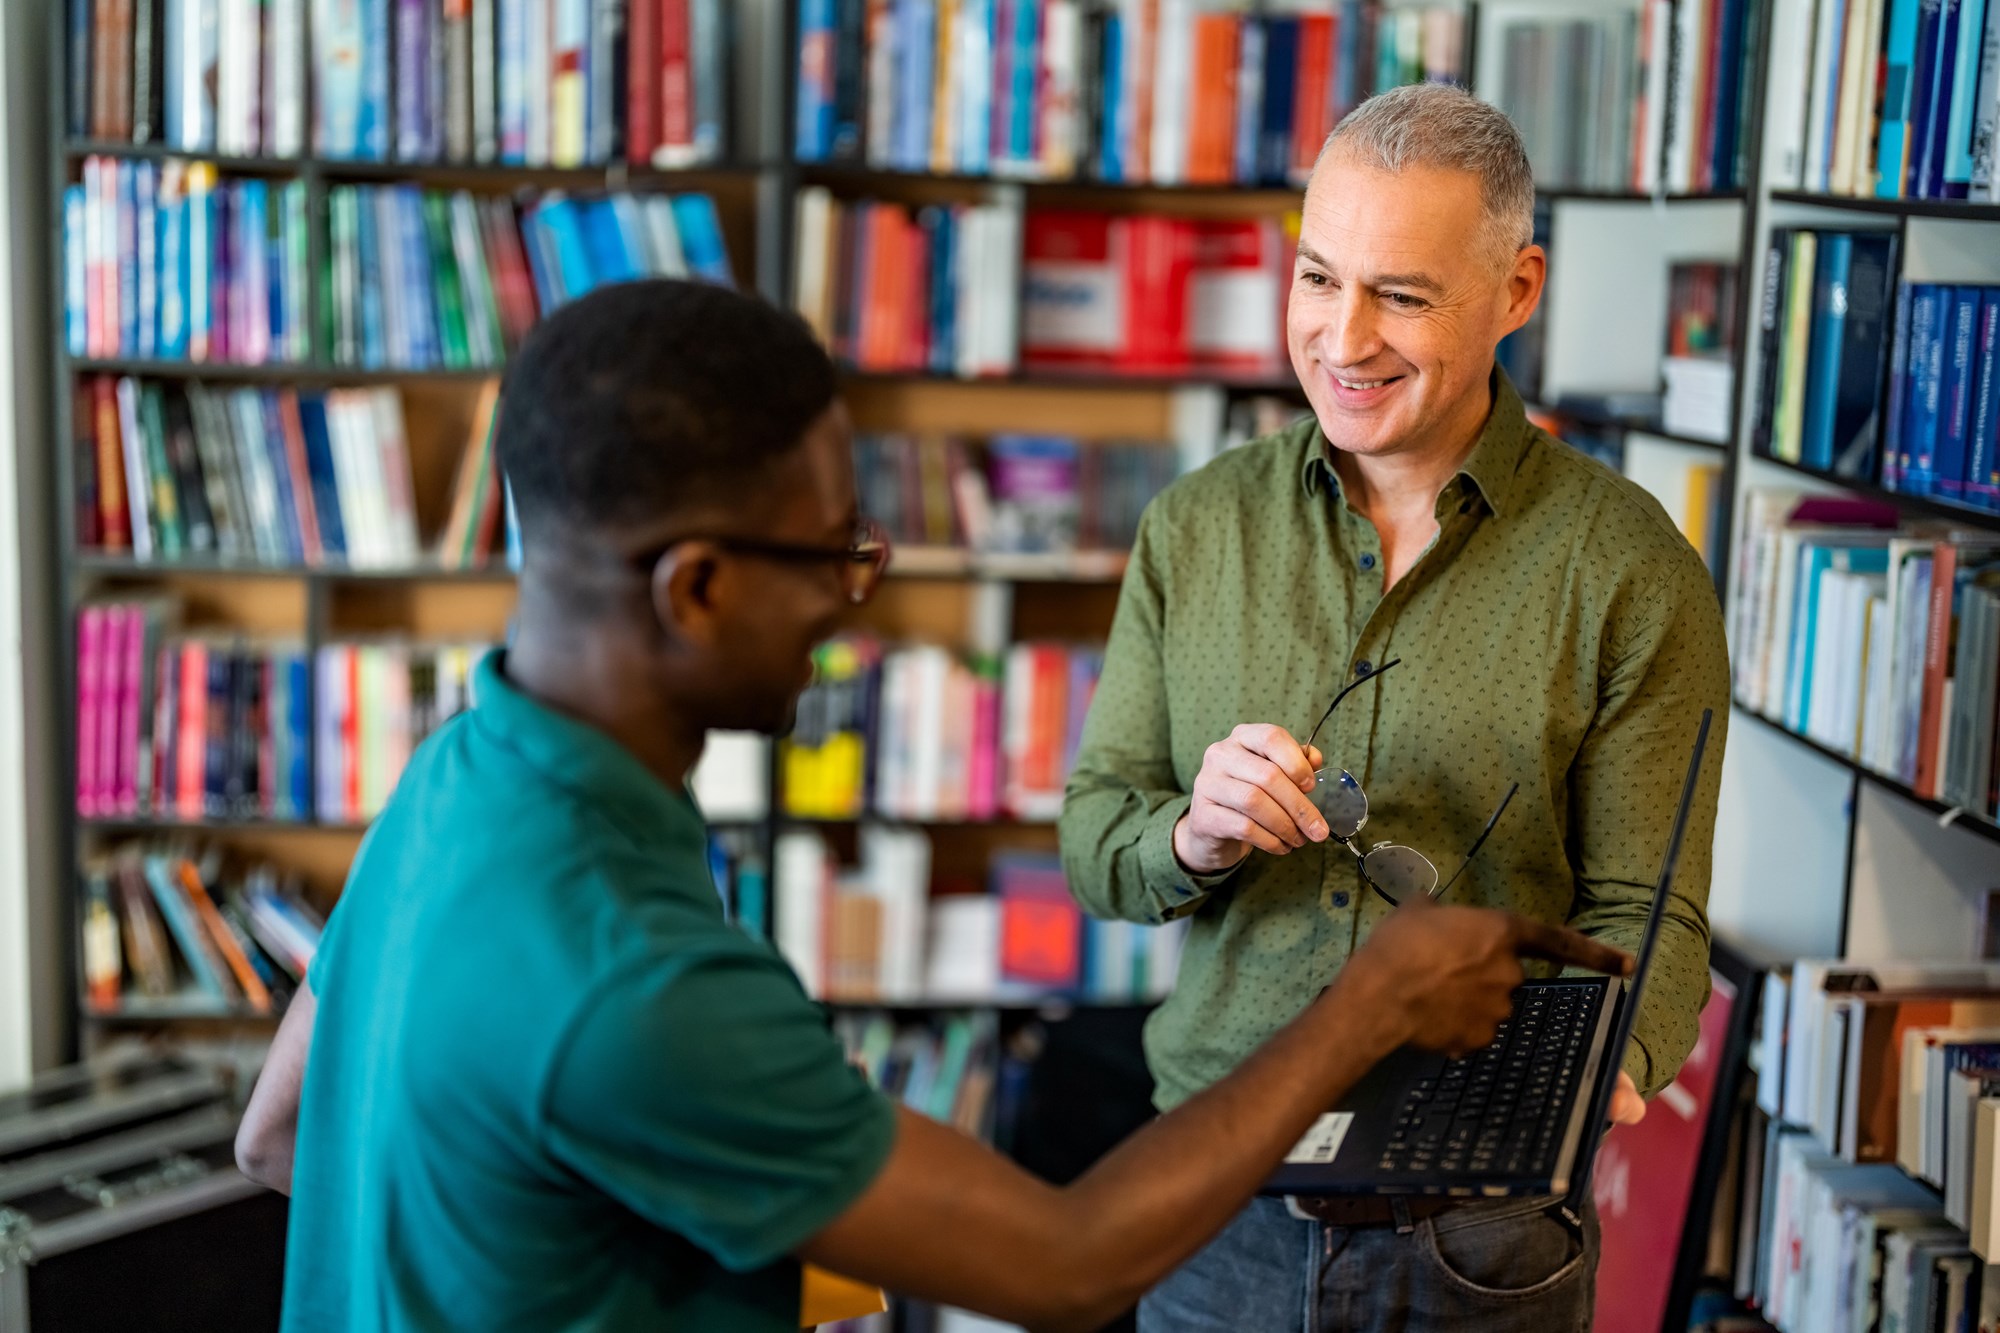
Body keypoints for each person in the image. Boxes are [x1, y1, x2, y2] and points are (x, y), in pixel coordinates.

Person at [232, 278, 1629, 1332]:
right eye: (836, 549)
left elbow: (282, 1134)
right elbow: (1069, 1267)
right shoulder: (636, 983)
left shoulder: (453, 782)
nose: (857, 594)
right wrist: (1369, 1005)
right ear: (699, 587)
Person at [1059, 83, 1732, 1333]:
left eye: (1401, 296)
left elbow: (1650, 905)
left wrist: (1613, 1068)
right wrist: (1187, 837)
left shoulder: (1631, 568)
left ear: (1514, 292)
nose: (1340, 337)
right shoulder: (1194, 528)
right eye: (1316, 278)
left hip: (1477, 1231)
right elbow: (1095, 837)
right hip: (1208, 1205)